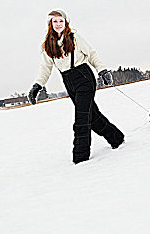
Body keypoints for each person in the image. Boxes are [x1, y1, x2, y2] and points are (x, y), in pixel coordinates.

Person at [28, 10, 124, 164]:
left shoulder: (75, 38)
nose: (58, 24)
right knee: (92, 116)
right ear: (50, 25)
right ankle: (116, 137)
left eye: (61, 21)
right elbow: (45, 69)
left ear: (66, 22)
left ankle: (80, 156)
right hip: (68, 82)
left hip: (84, 78)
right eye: (55, 21)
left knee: (81, 118)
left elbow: (92, 54)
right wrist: (37, 86)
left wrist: (103, 70)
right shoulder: (47, 46)